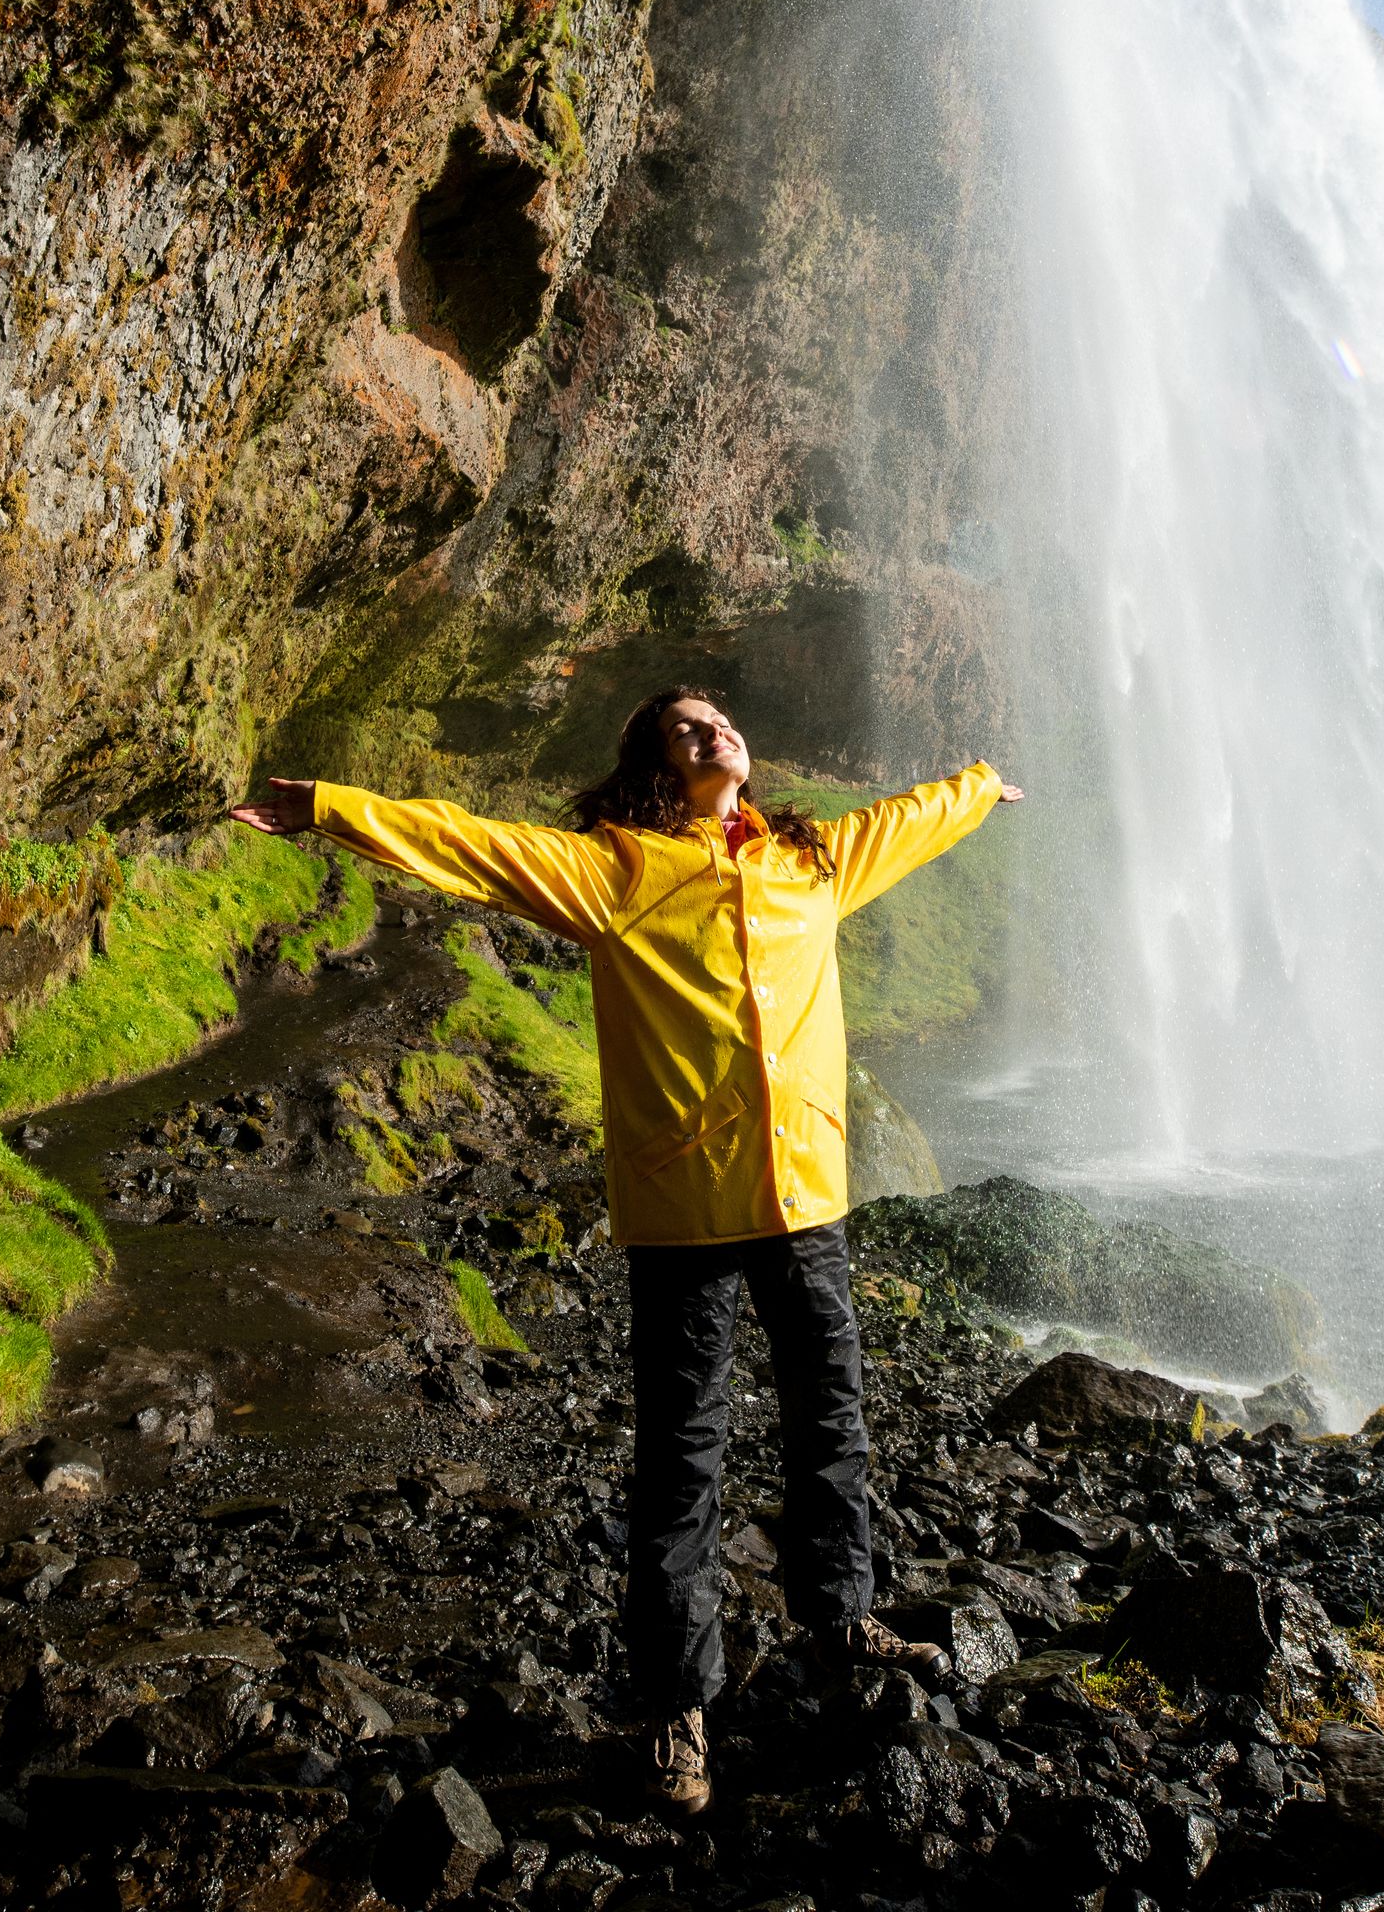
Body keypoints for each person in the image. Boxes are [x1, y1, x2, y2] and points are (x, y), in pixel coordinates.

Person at [229, 689, 1023, 1815]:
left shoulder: (813, 861)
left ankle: (844, 1622)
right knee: (682, 1464)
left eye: (722, 721)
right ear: (657, 764)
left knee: (831, 1419)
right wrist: (329, 808)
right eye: (686, 730)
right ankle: (675, 1713)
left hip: (805, 1201)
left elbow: (911, 815)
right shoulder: (620, 872)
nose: (715, 734)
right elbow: (475, 844)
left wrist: (983, 787)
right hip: (684, 1214)